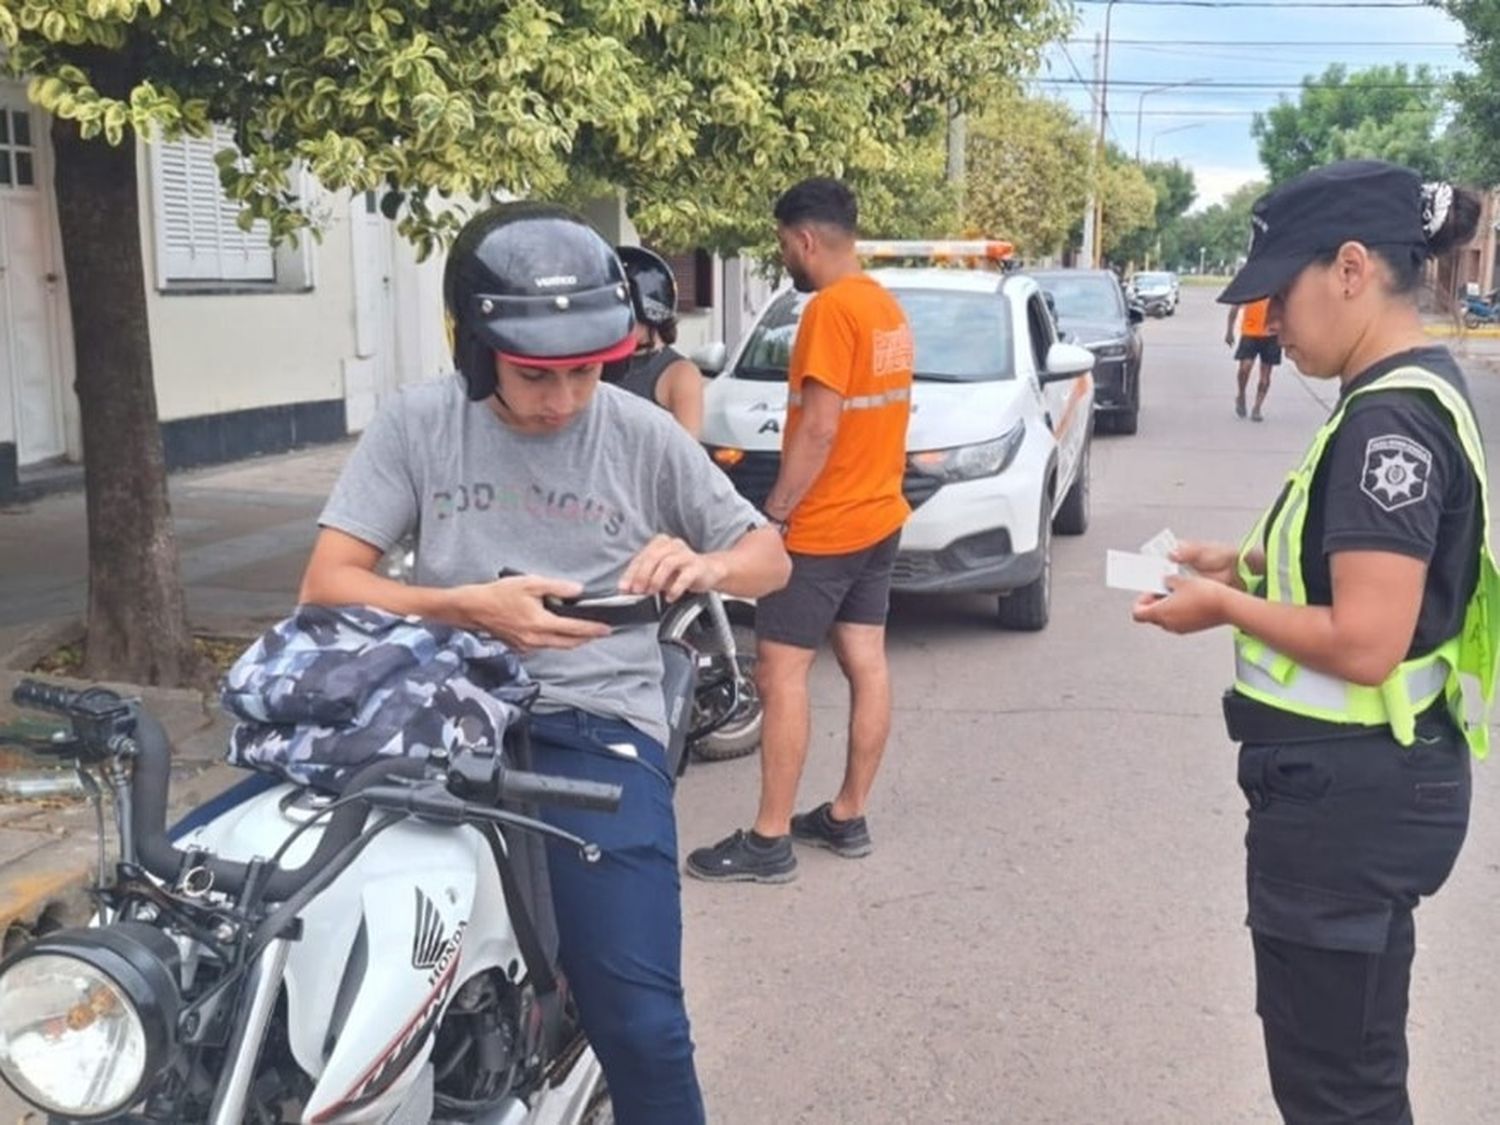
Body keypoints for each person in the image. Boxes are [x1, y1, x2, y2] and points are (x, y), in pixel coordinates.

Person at [297, 202, 790, 1124]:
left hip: (595, 723)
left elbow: (771, 555)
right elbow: (327, 583)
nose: (563, 397)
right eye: (535, 374)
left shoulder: (640, 433)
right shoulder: (417, 425)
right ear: (475, 350)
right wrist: (463, 606)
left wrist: (708, 563)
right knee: (310, 956)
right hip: (439, 707)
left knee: (641, 1024)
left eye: (585, 370)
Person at [1133, 160, 1497, 1124]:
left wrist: (1223, 608)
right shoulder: (1396, 391)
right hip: (1364, 788)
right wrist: (1242, 566)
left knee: (1337, 1089)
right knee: (1348, 1058)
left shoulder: (1390, 420)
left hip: (1352, 801)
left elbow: (1369, 638)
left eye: (1281, 296)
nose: (1272, 323)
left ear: (1348, 269)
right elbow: (1347, 576)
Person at [687, 177, 914, 884]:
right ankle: (847, 814)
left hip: (823, 527)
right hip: (880, 515)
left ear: (806, 240)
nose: (784, 256)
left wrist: (775, 516)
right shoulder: (886, 307)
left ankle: (770, 837)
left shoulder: (828, 312)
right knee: (865, 660)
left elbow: (817, 427)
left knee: (780, 672)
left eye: (784, 244)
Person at [603, 245, 706, 436]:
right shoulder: (594, 365)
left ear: (650, 311)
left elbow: (685, 457)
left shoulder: (680, 375)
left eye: (620, 314)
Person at [1226, 296, 1282, 421]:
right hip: (1250, 334)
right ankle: (1241, 395)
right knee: (1245, 368)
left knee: (1265, 377)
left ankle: (1257, 408)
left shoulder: (1276, 287)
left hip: (1271, 336)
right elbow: (1235, 306)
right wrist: (1229, 331)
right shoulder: (1252, 287)